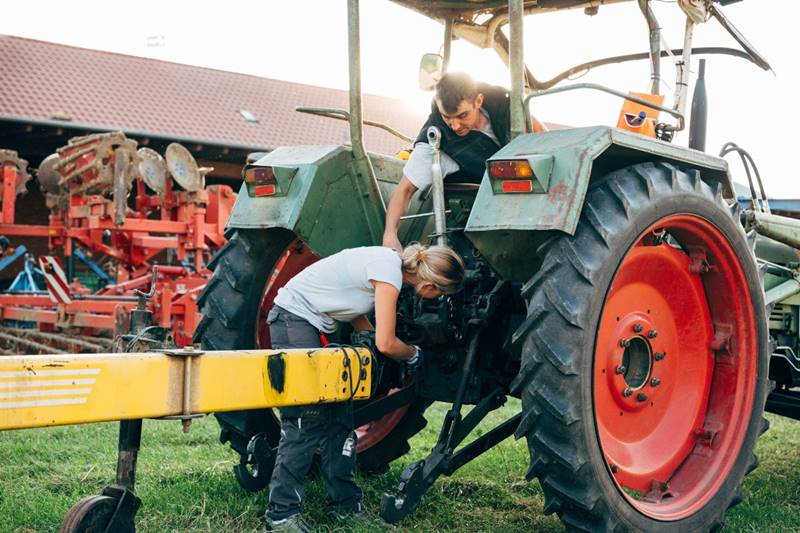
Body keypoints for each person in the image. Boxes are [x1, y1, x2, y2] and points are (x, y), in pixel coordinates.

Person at [264, 243, 465, 532]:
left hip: (312, 322)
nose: (437, 298)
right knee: (304, 419)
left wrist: (373, 338)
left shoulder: (388, 265)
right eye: (441, 294)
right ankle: (281, 515)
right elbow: (386, 342)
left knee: (339, 417)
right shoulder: (389, 274)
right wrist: (413, 354)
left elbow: (351, 309)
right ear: (431, 285)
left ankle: (345, 506)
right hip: (293, 319)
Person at [383, 71, 547, 250]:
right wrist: (390, 235)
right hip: (487, 210)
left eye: (462, 116)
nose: (455, 126)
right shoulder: (436, 140)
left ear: (478, 101)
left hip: (532, 192)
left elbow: (543, 135)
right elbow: (405, 190)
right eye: (447, 117)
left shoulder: (505, 105)